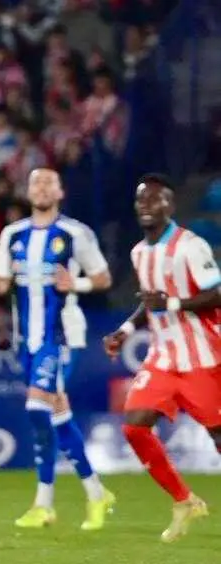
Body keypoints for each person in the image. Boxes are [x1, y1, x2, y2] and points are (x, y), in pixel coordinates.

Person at [0, 168, 115, 530]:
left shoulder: (76, 233)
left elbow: (103, 278)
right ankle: (96, 493)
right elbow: (1, 287)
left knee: (37, 407)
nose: (42, 187)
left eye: (49, 182)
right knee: (57, 414)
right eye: (36, 182)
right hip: (27, 340)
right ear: (28, 190)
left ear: (60, 191)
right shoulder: (12, 234)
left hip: (62, 337)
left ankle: (44, 503)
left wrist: (75, 283)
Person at [103, 173, 220, 542]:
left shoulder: (190, 246)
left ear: (169, 205)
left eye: (155, 200)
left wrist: (170, 303)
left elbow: (215, 294)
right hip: (163, 357)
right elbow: (148, 300)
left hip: (202, 356)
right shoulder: (139, 252)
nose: (147, 206)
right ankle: (184, 501)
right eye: (141, 201)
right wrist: (125, 329)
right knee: (135, 426)